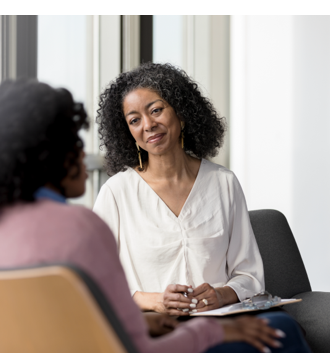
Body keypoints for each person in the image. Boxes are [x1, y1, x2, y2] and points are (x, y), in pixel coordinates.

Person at [0, 78, 311, 353]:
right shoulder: (83, 223)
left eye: (156, 110)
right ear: (45, 156)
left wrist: (169, 315)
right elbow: (128, 341)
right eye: (74, 144)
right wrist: (213, 331)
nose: (87, 158)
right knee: (281, 330)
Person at [93, 62, 262, 315]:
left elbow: (249, 275)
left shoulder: (223, 183)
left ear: (181, 113)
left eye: (157, 110)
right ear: (127, 131)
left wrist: (221, 294)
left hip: (221, 323)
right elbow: (94, 280)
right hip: (155, 329)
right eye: (134, 120)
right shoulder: (116, 193)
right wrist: (153, 301)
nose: (148, 125)